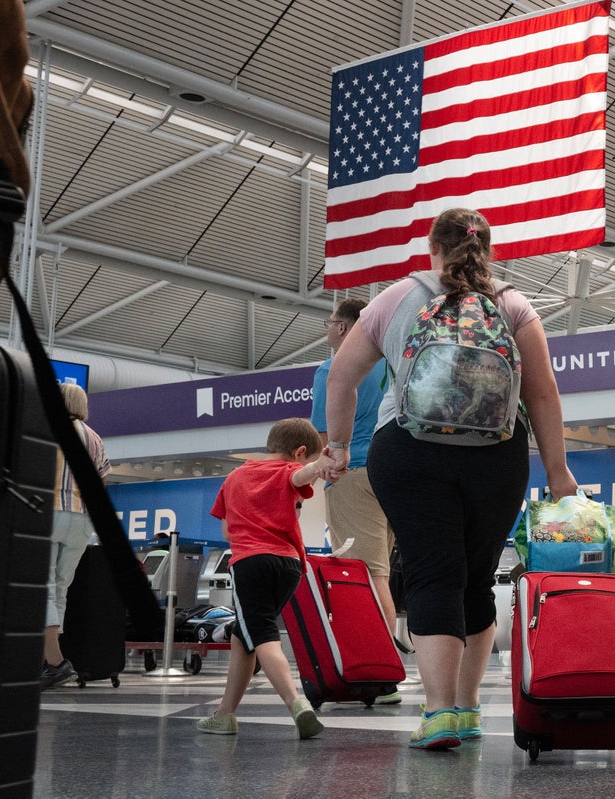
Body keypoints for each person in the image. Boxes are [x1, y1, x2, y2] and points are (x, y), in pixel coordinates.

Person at [322, 208, 578, 750]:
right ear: (488, 247)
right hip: (496, 455)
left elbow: (342, 376)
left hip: (409, 451)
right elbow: (543, 392)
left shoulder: (395, 297)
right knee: (476, 578)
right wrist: (558, 470)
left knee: (431, 573)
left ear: (432, 248)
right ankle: (467, 709)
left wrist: (340, 446)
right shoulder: (513, 303)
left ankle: (436, 714)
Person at [195, 417, 337, 739]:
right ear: (300, 451)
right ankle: (225, 714)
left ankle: (296, 704)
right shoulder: (289, 473)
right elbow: (301, 475)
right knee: (242, 635)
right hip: (289, 565)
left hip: (251, 563)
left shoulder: (234, 478)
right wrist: (319, 468)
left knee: (261, 634)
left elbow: (227, 531)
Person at [310, 298, 404, 703]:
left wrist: (318, 472)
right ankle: (380, 664)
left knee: (367, 575)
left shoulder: (331, 369)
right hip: (393, 474)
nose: (328, 329)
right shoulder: (392, 363)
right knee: (380, 568)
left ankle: (381, 674)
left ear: (345, 328)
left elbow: (321, 436)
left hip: (351, 474)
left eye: (332, 322)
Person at [42, 382, 111, 690]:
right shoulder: (95, 438)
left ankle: (54, 661)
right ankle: (50, 657)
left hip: (49, 512)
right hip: (83, 519)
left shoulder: (47, 429)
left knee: (40, 585)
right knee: (60, 586)